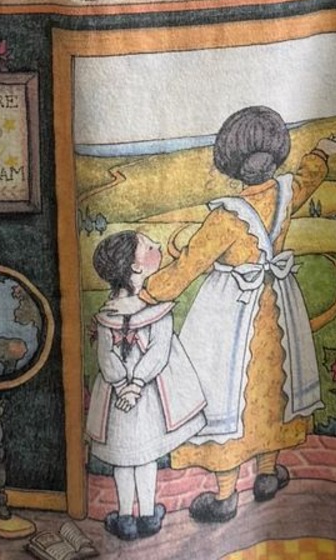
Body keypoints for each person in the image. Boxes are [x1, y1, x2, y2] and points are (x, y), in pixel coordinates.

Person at [140, 105, 336, 523]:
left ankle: (225, 496)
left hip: (232, 314)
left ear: (231, 162)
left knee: (226, 393)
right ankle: (267, 474)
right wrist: (322, 152)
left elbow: (185, 269)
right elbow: (309, 177)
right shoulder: (285, 194)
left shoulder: (225, 217)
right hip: (276, 308)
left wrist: (146, 292)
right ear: (275, 155)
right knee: (272, 387)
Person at [85, 230, 208, 541]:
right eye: (150, 246)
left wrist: (123, 386)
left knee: (125, 459)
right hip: (148, 397)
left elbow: (107, 358)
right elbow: (158, 352)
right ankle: (146, 515)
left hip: (117, 399)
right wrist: (137, 384)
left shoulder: (107, 314)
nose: (158, 246)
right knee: (144, 457)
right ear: (136, 267)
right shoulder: (156, 310)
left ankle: (126, 517)